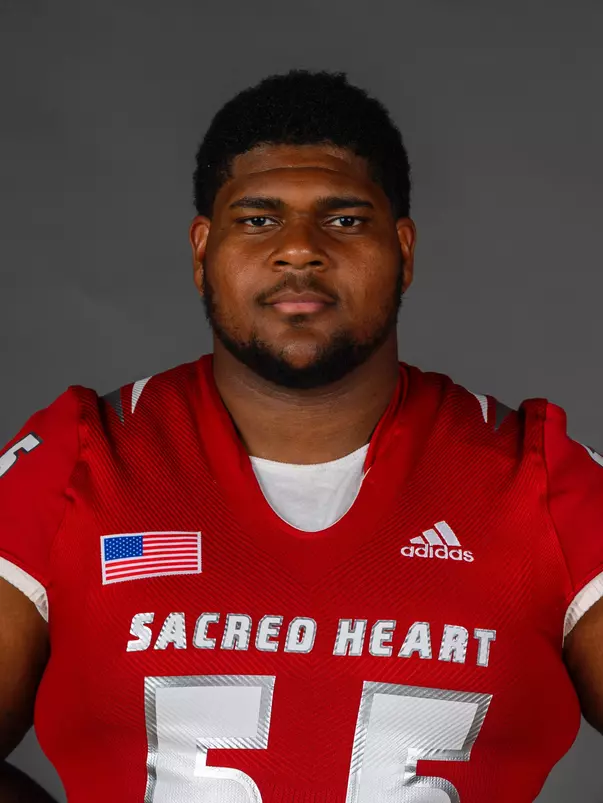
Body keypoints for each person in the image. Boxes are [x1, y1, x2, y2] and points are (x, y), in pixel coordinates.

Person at [1, 68, 602, 803]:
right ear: (202, 249)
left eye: (344, 219)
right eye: (258, 218)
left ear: (403, 249)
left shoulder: (539, 479)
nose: (299, 250)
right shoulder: (78, 458)